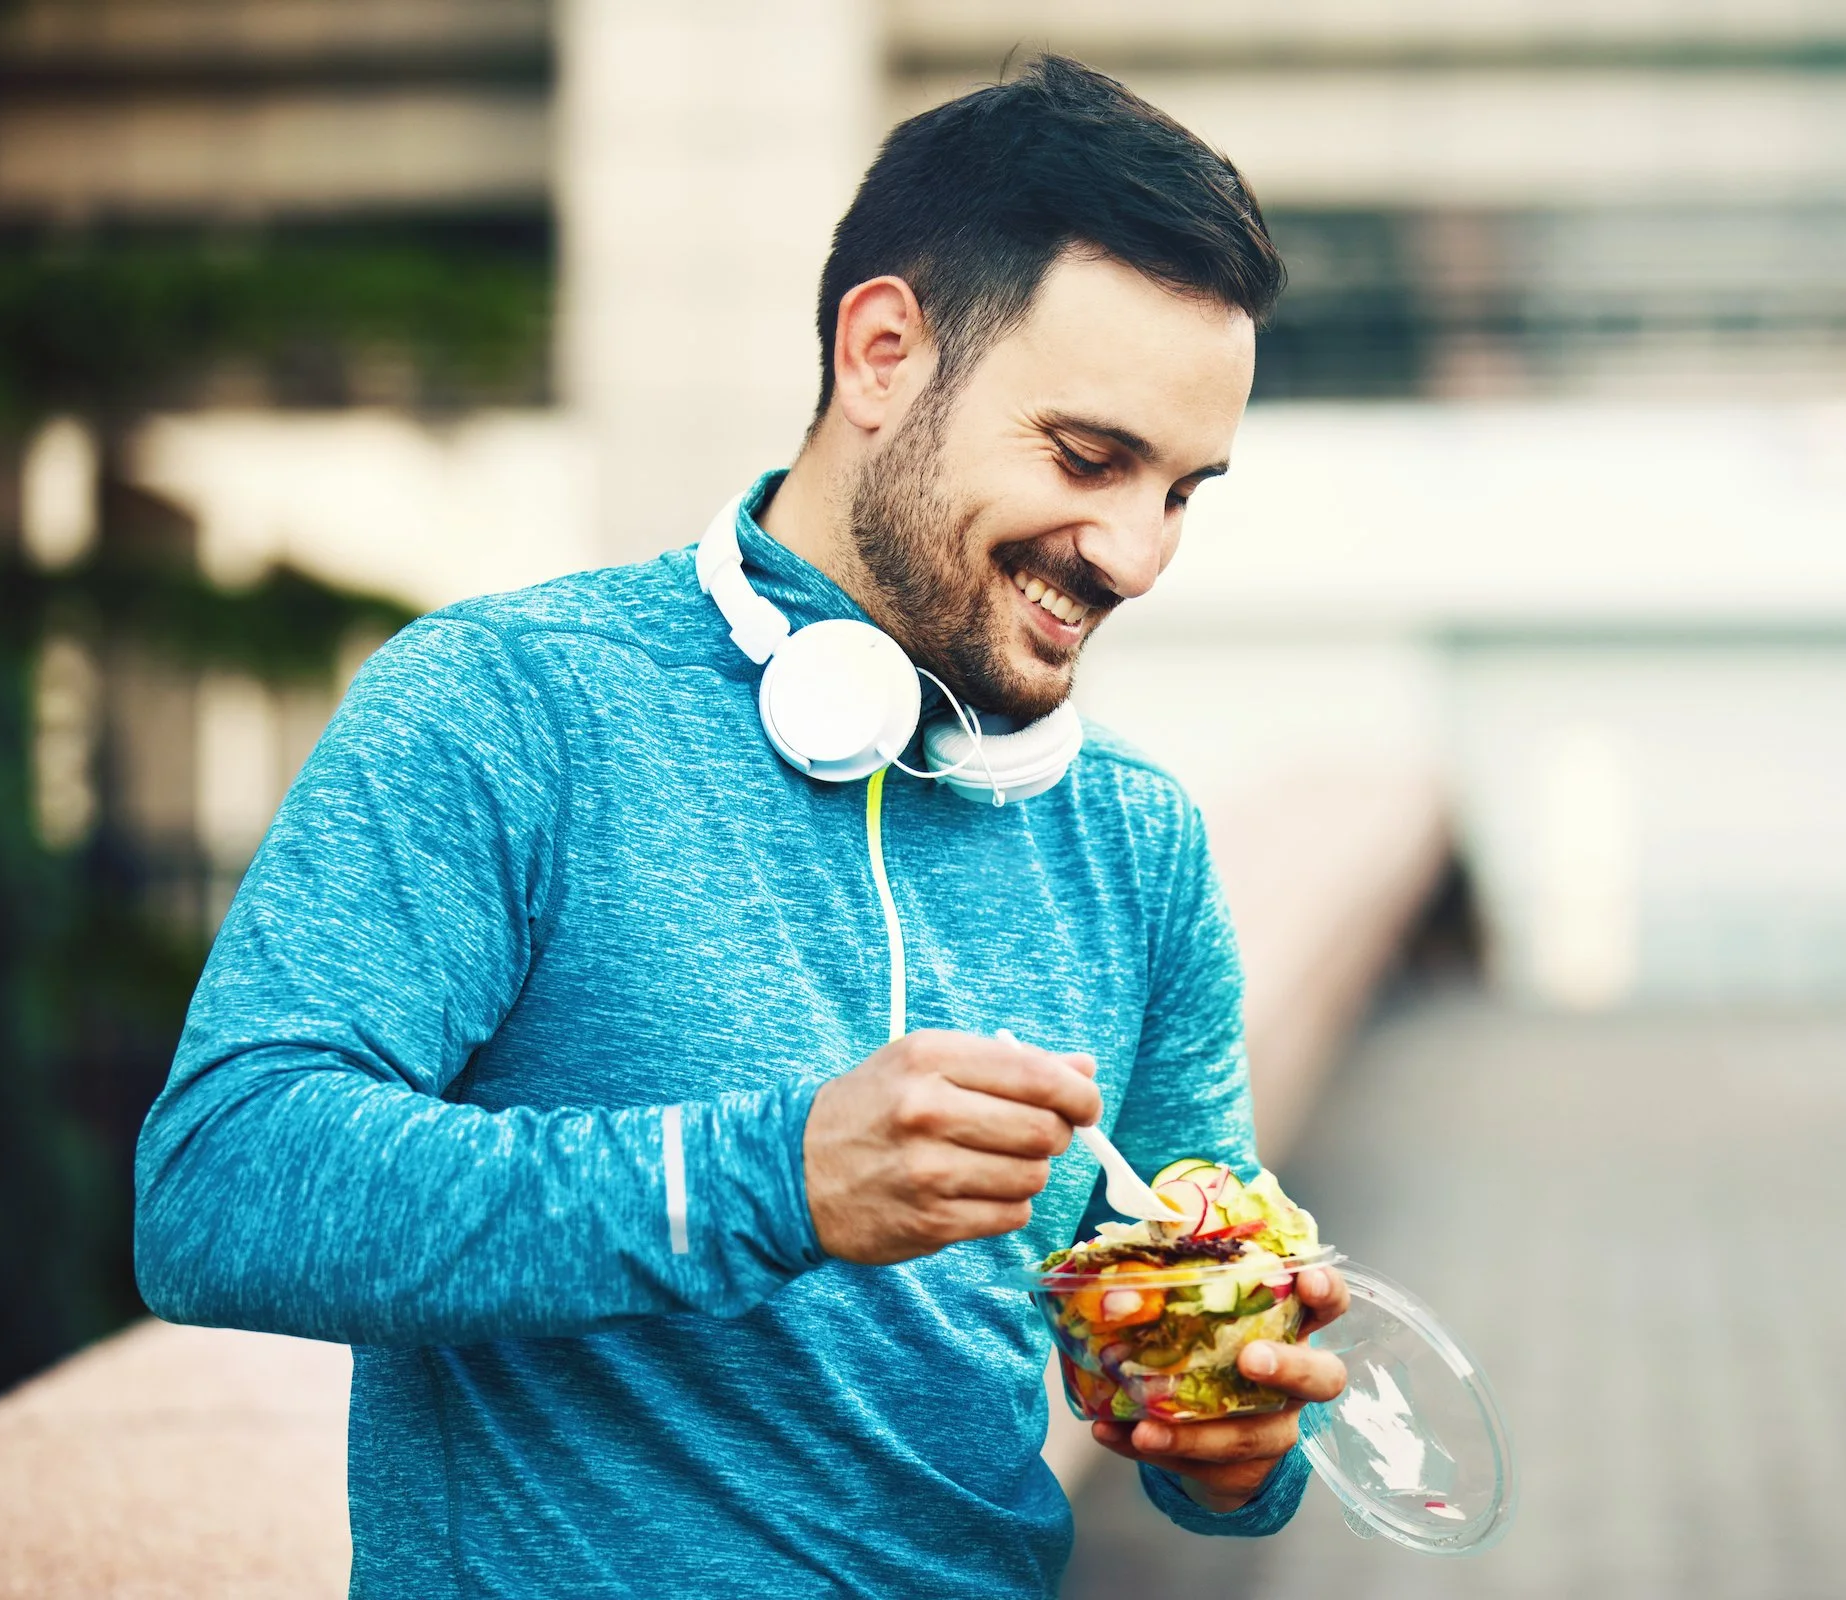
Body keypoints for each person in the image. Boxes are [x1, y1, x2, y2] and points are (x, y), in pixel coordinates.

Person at [134, 53, 1349, 1598]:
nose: (1136, 552)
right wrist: (770, 1181)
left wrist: (1231, 1434)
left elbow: (1192, 1362)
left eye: (1186, 491)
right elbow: (220, 1186)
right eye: (1088, 458)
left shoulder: (1138, 845)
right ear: (884, 352)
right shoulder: (508, 705)